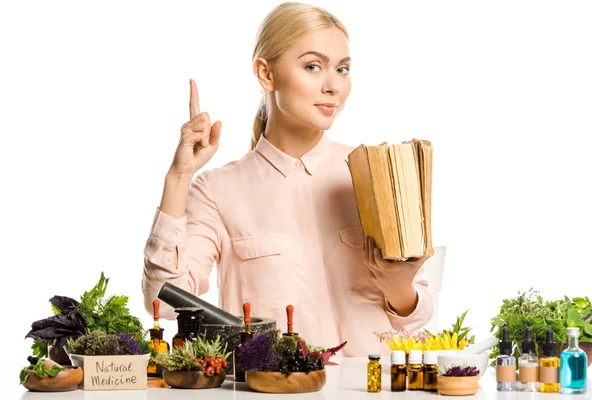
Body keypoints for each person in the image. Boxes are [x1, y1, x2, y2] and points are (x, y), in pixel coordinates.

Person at [142, 1, 433, 356]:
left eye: (342, 69)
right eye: (313, 66)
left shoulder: (375, 172)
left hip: (370, 389)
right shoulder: (217, 191)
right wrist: (179, 176)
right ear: (266, 74)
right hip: (271, 391)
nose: (333, 86)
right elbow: (165, 301)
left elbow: (416, 319)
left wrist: (401, 287)